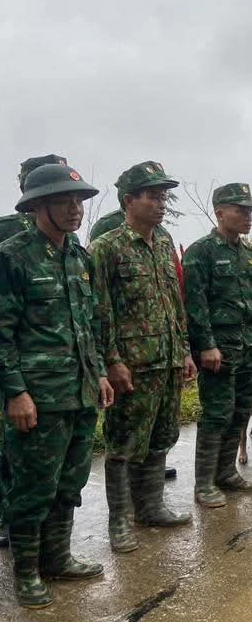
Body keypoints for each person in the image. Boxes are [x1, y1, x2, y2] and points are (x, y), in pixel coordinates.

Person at [0, 164, 114, 609]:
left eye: (80, 199)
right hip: (37, 396)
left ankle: (57, 558)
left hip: (80, 391)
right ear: (37, 204)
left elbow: (88, 324)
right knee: (32, 487)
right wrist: (15, 392)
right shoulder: (12, 257)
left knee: (69, 482)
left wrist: (100, 372)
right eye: (65, 199)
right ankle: (25, 574)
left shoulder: (78, 256)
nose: (75, 208)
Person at [90, 162, 198, 554]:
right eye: (152, 196)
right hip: (132, 366)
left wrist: (183, 349)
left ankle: (150, 508)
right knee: (122, 444)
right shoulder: (107, 248)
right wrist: (112, 361)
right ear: (128, 201)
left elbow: (173, 303)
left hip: (166, 360)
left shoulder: (165, 243)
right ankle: (119, 522)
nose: (161, 203)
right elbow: (100, 310)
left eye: (163, 196)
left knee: (161, 438)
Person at [183, 183, 252, 508]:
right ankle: (204, 483)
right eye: (241, 210)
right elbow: (195, 305)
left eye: (250, 210)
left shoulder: (250, 257)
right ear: (220, 212)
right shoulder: (201, 252)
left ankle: (226, 473)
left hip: (249, 349)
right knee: (216, 415)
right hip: (218, 353)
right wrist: (206, 345)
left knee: (239, 413)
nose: (248, 216)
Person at [0, 154, 69, 552]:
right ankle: (14, 525)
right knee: (16, 456)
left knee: (55, 472)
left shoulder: (71, 247)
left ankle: (51, 551)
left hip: (57, 374)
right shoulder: (10, 240)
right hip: (19, 363)